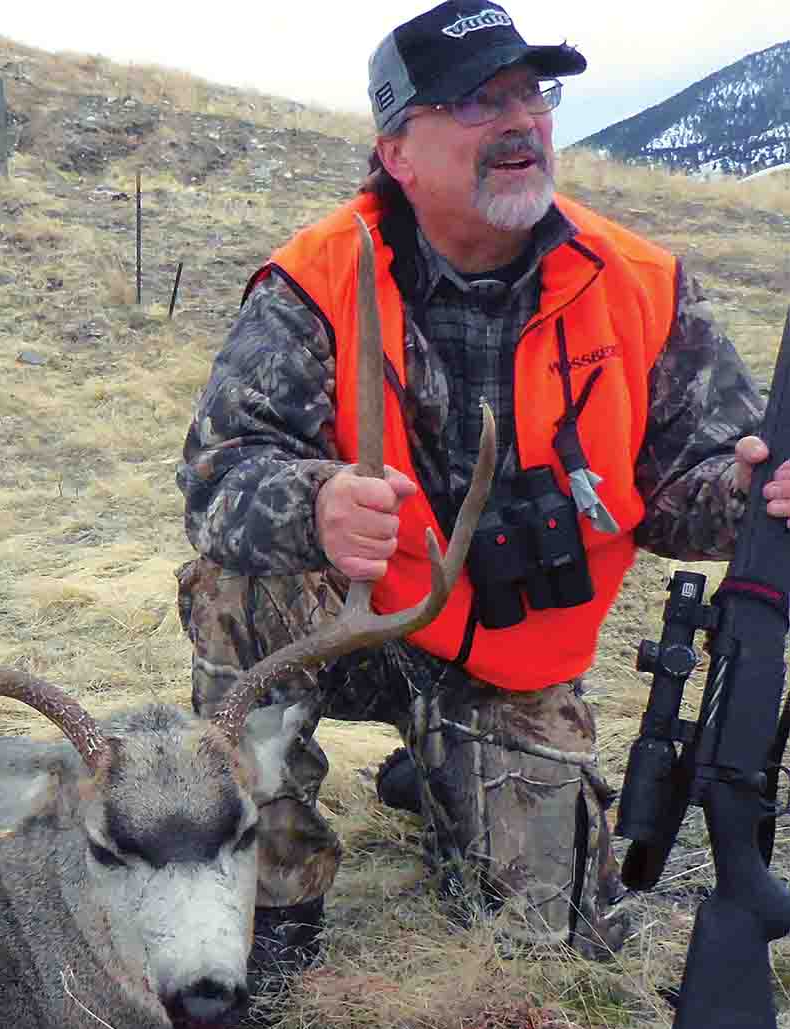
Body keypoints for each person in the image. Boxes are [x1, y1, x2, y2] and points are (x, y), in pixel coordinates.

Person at [175, 2, 786, 980]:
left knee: (539, 947)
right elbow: (215, 478)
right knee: (232, 588)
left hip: (514, 658)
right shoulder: (315, 284)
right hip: (359, 623)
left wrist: (757, 495)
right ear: (399, 150)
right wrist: (312, 504)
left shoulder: (641, 285)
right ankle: (274, 905)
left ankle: (448, 771)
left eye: (531, 93)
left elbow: (686, 491)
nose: (520, 120)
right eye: (475, 100)